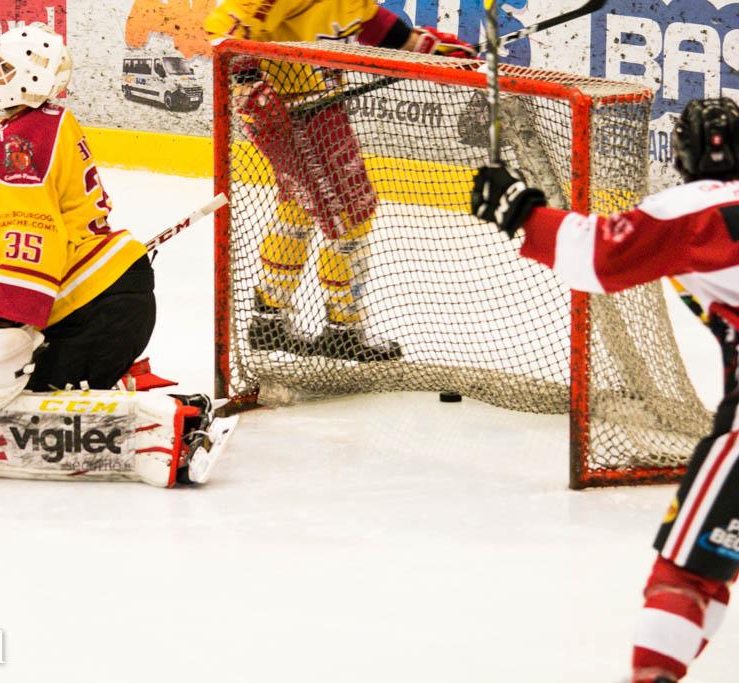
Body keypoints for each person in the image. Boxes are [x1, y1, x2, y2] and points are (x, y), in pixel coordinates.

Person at [471, 97, 739, 682]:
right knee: (713, 564)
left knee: (689, 575)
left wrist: (520, 212)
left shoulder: (691, 207)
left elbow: (598, 255)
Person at [0, 24, 234, 487]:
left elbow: (31, 235)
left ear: (33, 78)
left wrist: (8, 328)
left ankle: (172, 424)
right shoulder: (51, 122)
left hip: (91, 310)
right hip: (110, 294)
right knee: (24, 383)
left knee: (5, 400)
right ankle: (128, 391)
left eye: (5, 68)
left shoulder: (15, 145)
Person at [205, 0, 475, 360]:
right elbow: (222, 29)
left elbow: (374, 25)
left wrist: (430, 48)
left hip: (320, 109)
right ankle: (343, 329)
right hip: (293, 112)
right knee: (352, 214)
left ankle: (269, 317)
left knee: (299, 209)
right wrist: (248, 83)